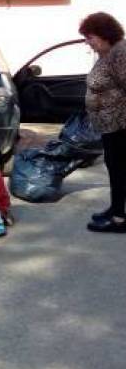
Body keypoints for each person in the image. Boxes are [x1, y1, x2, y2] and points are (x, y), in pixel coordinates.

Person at [79, 12, 126, 233]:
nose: (88, 43)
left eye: (90, 37)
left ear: (105, 34)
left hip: (121, 126)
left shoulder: (121, 53)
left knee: (119, 170)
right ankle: (116, 208)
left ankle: (120, 218)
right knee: (114, 168)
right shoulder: (107, 54)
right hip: (110, 126)